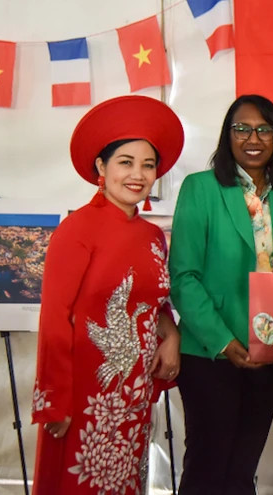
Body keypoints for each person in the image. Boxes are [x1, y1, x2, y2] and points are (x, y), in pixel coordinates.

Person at [31, 95, 184, 494]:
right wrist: (54, 401)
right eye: (126, 162)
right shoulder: (77, 230)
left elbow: (154, 303)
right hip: (83, 397)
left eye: (148, 165)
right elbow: (53, 319)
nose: (138, 174)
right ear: (101, 167)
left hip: (133, 395)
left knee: (126, 481)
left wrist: (173, 335)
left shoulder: (153, 236)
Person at [168, 95, 273, 494]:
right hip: (211, 351)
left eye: (264, 129)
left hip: (269, 351)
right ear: (227, 137)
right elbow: (183, 277)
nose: (252, 138)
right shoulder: (200, 188)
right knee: (209, 465)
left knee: (244, 466)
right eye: (241, 128)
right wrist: (224, 341)